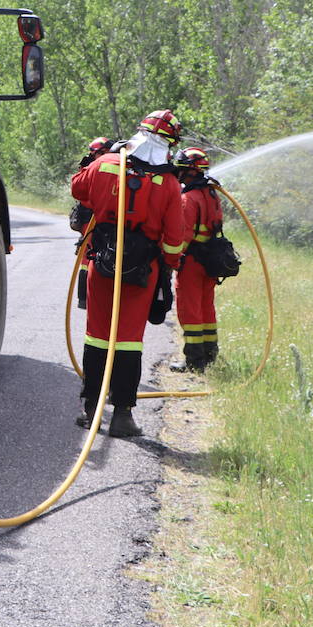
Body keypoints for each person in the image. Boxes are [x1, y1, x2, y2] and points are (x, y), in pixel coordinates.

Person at [70, 110, 188, 437]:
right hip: (142, 271)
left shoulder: (107, 164)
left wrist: (97, 159)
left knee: (97, 334)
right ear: (169, 143)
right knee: (128, 341)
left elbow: (77, 189)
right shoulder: (168, 182)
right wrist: (169, 267)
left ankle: (90, 408)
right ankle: (122, 416)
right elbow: (175, 238)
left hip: (103, 262)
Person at [172, 147, 224, 372]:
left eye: (182, 168)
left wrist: (172, 260)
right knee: (206, 307)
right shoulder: (212, 194)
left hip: (192, 261)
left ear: (191, 171)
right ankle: (210, 353)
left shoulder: (187, 199)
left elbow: (183, 235)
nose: (178, 172)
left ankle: (194, 360)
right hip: (210, 259)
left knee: (190, 309)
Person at [71, 136, 114, 309]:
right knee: (87, 261)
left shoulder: (91, 165)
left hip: (97, 216)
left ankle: (99, 297)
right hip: (91, 217)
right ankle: (84, 298)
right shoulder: (91, 166)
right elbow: (79, 191)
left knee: (99, 256)